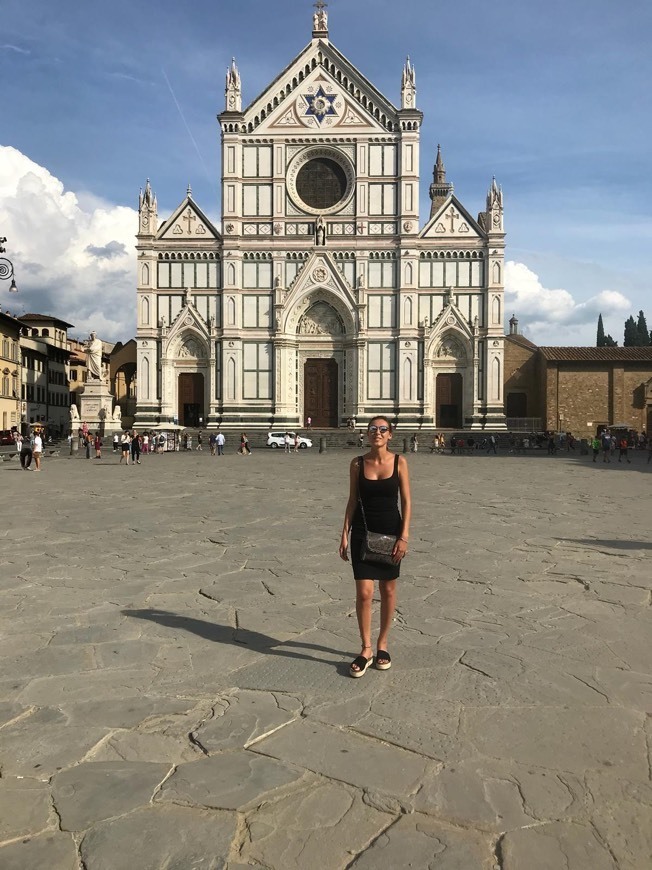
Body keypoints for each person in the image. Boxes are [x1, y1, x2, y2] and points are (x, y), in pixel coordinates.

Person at [339, 417, 411, 678]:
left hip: (391, 532)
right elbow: (351, 500)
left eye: (382, 429)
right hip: (362, 531)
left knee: (388, 589)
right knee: (365, 592)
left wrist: (404, 536)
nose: (377, 433)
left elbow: (407, 501)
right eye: (372, 429)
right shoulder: (357, 463)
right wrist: (344, 533)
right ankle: (366, 648)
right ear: (366, 434)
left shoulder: (400, 462)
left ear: (390, 434)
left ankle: (383, 644)